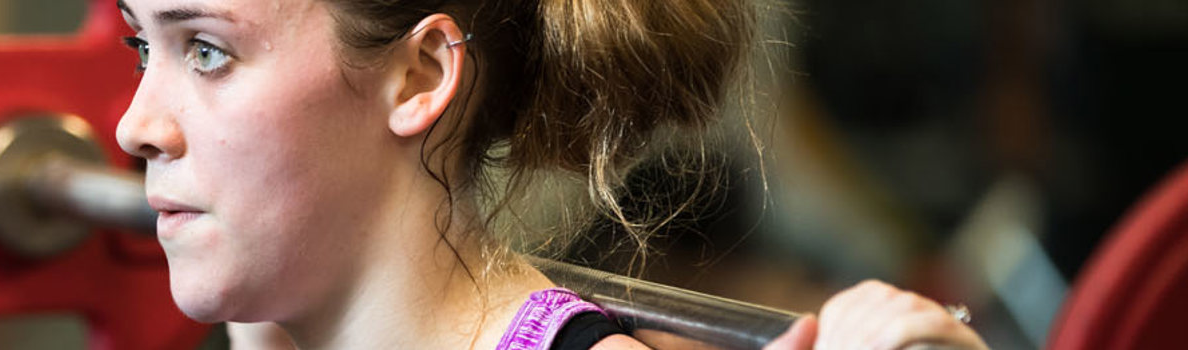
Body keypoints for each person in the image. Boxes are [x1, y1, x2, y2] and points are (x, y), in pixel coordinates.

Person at [111, 0, 989, 349]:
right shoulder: (274, 322)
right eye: (142, 44)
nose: (134, 124)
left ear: (419, 77)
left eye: (209, 52)